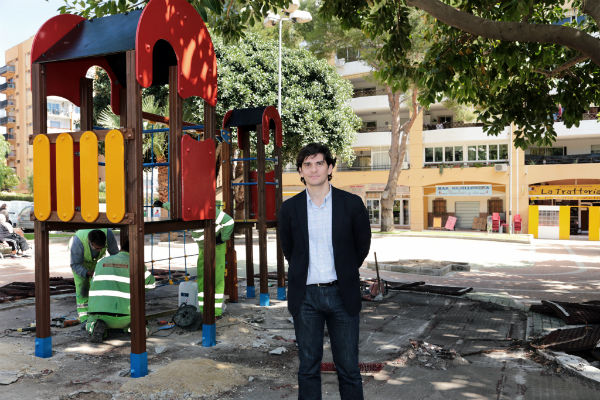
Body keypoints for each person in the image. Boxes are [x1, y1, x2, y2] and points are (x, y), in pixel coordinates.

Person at [278, 143, 371, 400]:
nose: (314, 169)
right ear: (300, 171)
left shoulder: (351, 204)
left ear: (330, 167)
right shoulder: (290, 208)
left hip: (342, 294)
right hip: (306, 297)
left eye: (319, 163)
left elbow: (361, 246)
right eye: (307, 164)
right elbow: (290, 250)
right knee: (308, 368)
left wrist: (345, 271)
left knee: (349, 368)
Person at [85, 239, 155, 343]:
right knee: (138, 320)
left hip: (99, 314)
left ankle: (95, 327)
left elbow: (93, 283)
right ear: (136, 251)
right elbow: (151, 285)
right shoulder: (136, 263)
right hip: (127, 316)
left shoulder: (101, 262)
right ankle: (134, 328)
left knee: (90, 322)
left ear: (121, 249)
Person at [192, 204, 234, 317]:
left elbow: (229, 222)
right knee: (202, 277)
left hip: (217, 247)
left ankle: (215, 312)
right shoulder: (186, 208)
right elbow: (171, 206)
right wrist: (162, 205)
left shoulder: (208, 209)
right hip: (203, 246)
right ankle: (204, 310)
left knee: (217, 279)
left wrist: (221, 238)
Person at [69, 229, 119, 322]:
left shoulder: (108, 235)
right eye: (97, 248)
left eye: (102, 248)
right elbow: (75, 264)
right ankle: (84, 319)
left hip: (96, 261)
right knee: (82, 289)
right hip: (80, 264)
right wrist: (88, 273)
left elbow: (115, 256)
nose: (100, 250)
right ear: (90, 242)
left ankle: (101, 312)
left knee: (100, 286)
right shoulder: (78, 242)